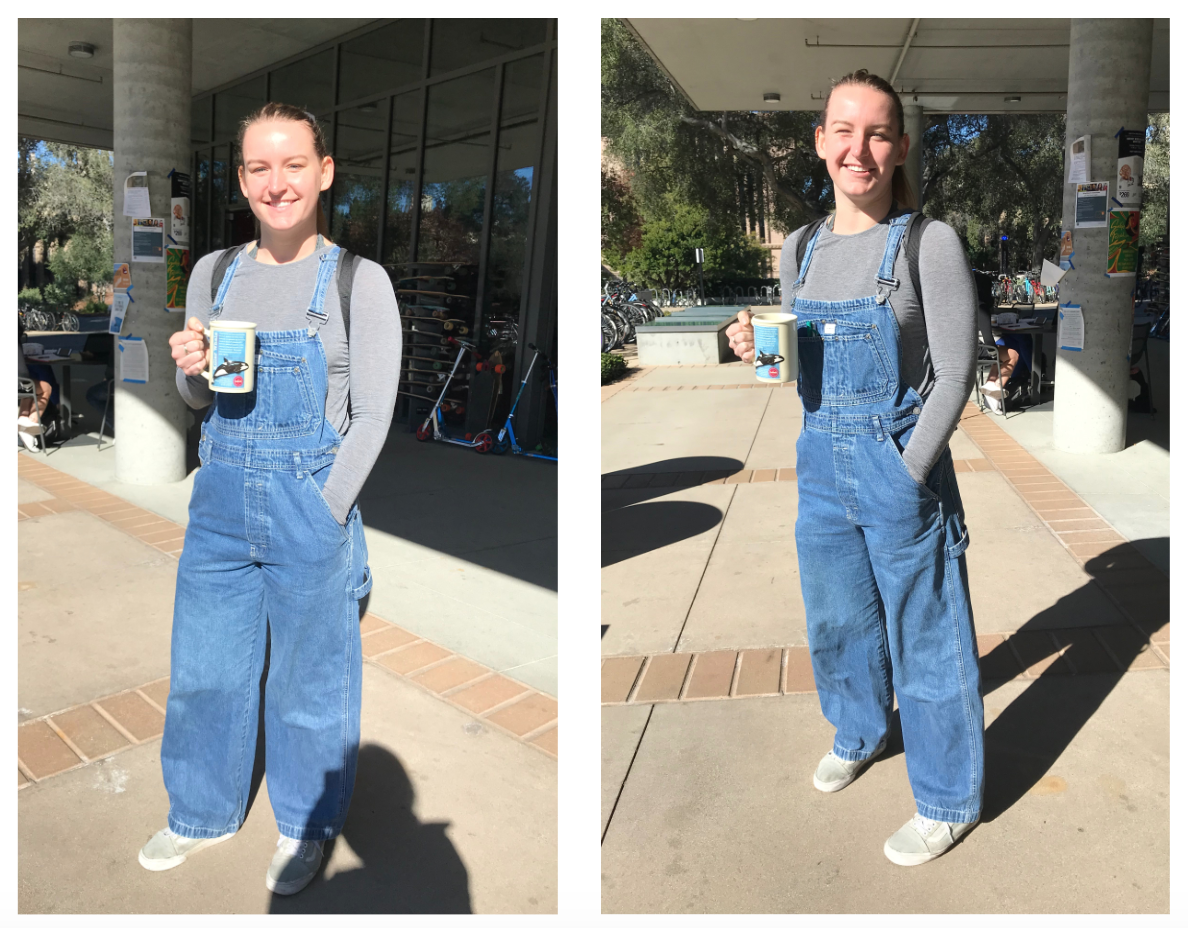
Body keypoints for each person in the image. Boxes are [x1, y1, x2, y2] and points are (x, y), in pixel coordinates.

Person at [137, 102, 401, 895]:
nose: (276, 182)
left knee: (309, 682)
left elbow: (374, 415)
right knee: (205, 669)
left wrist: (326, 507)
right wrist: (188, 363)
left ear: (323, 173)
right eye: (258, 166)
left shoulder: (360, 280)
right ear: (241, 178)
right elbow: (198, 399)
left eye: (293, 165)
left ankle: (306, 825)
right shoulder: (216, 274)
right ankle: (200, 812)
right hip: (218, 501)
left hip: (306, 502)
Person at [726, 69, 983, 866]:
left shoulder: (926, 243)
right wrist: (752, 348)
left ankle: (948, 799)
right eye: (843, 130)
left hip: (895, 459)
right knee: (838, 619)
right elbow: (804, 370)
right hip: (818, 459)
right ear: (820, 142)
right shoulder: (800, 249)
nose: (858, 149)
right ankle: (861, 729)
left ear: (900, 147)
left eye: (876, 133)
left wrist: (910, 470)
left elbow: (955, 369)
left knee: (927, 636)